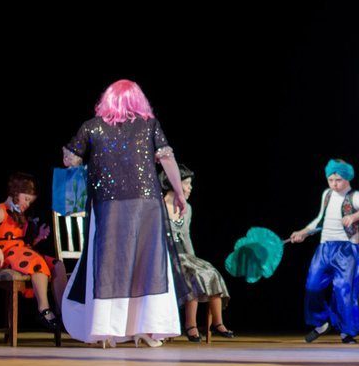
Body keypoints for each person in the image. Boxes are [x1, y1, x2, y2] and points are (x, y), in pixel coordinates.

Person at [60, 79, 187, 348]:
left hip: (108, 204)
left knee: (108, 262)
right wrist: (178, 192)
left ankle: (105, 330)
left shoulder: (92, 126)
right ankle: (147, 327)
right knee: (148, 262)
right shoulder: (149, 125)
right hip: (146, 204)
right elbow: (167, 159)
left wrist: (87, 162)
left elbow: (70, 158)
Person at [290, 159, 359, 343]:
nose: (334, 184)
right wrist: (304, 232)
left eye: (338, 180)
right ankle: (321, 322)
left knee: (344, 291)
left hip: (346, 249)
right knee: (312, 286)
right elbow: (320, 219)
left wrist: (355, 216)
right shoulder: (327, 194)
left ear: (347, 178)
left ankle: (347, 331)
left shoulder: (355, 196)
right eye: (330, 180)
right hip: (324, 247)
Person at [0, 172, 67, 331]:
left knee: (57, 265)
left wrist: (38, 238)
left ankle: (63, 312)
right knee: (37, 263)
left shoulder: (19, 216)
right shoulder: (0, 210)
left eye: (30, 201)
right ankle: (44, 309)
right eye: (26, 199)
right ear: (15, 192)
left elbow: (23, 245)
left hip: (19, 253)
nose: (27, 204)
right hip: (2, 253)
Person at [160, 164, 234, 343]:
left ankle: (217, 322)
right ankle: (190, 325)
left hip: (184, 256)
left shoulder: (186, 208)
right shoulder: (158, 207)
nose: (190, 187)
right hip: (166, 257)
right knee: (192, 276)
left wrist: (193, 259)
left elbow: (186, 237)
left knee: (210, 271)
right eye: (186, 183)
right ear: (174, 184)